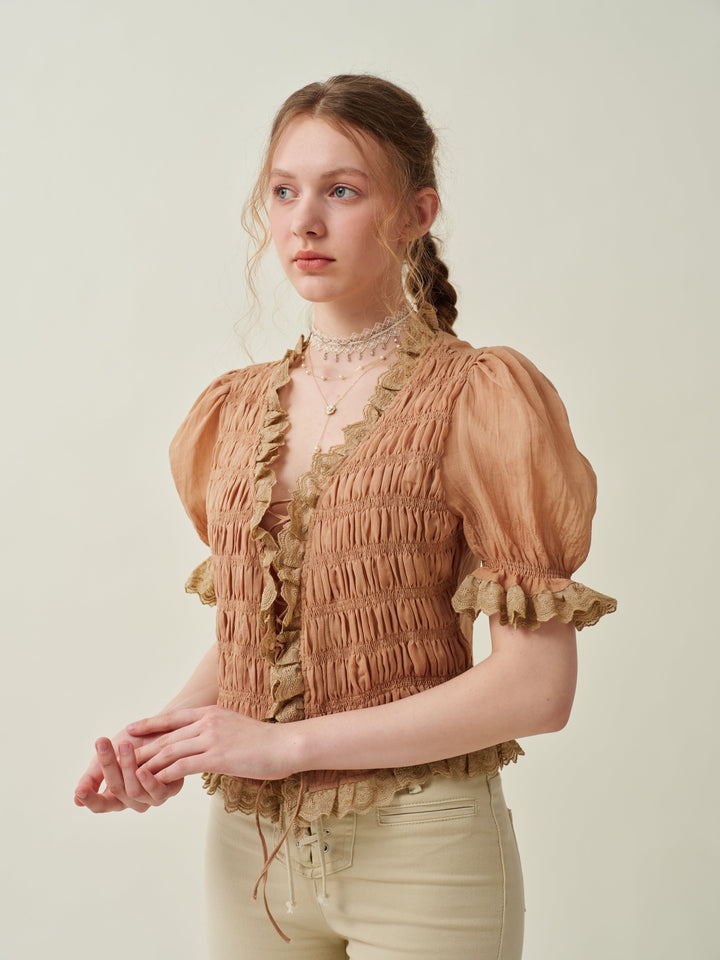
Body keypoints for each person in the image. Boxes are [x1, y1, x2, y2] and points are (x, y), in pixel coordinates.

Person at [74, 74, 616, 959]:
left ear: (416, 213)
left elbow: (538, 690)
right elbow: (269, 631)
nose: (304, 222)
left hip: (424, 846)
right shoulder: (235, 408)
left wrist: (283, 746)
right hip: (251, 853)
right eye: (285, 191)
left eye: (342, 191)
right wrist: (169, 742)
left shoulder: (480, 396)